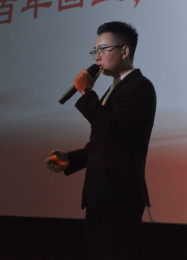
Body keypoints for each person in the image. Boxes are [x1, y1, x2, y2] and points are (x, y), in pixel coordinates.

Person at [44, 21, 156, 260]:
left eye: (103, 49)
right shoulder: (114, 88)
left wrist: (86, 91)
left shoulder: (140, 87)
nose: (97, 57)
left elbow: (109, 128)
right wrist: (70, 159)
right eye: (95, 51)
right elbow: (103, 143)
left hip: (120, 196)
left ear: (124, 51)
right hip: (100, 196)